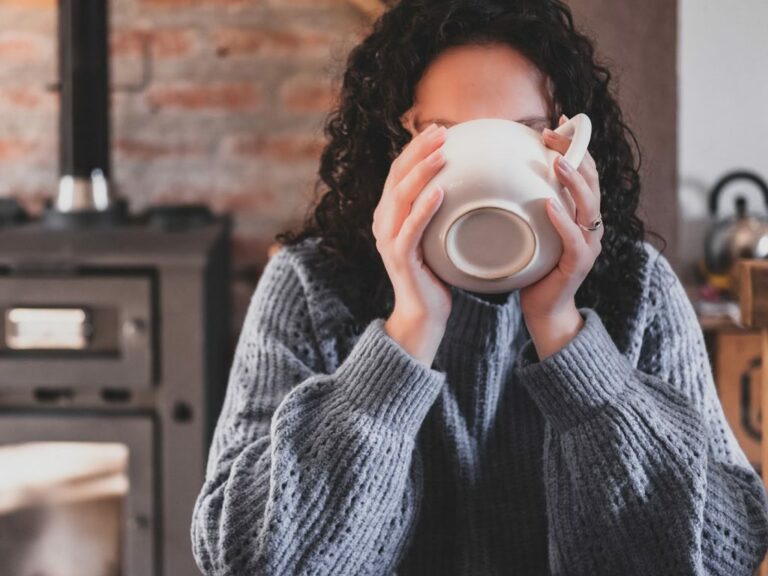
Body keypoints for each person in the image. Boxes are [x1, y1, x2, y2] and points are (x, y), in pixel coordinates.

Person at [190, 1, 768, 574]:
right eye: (445, 133)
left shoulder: (636, 286)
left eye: (530, 133)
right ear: (399, 140)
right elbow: (246, 560)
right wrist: (408, 332)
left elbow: (723, 556)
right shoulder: (312, 285)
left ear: (570, 146)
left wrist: (565, 335)